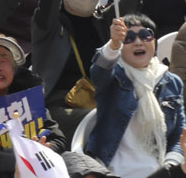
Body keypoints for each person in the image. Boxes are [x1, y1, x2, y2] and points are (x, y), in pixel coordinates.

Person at [78, 13, 186, 177]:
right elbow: (99, 70)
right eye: (128, 38)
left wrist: (171, 165)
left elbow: (179, 133)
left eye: (145, 35)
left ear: (154, 42)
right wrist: (113, 45)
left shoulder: (172, 82)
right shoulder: (114, 76)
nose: (138, 42)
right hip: (115, 167)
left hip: (160, 167)